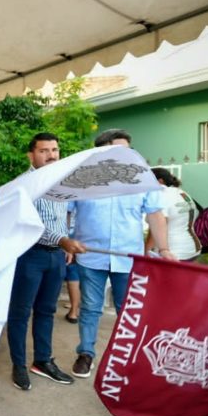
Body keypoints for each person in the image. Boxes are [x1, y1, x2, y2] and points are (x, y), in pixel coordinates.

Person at [70, 129, 174, 378]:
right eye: (121, 150)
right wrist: (67, 241)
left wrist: (165, 249)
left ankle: (127, 357)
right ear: (102, 152)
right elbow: (65, 211)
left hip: (128, 258)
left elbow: (155, 214)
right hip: (90, 255)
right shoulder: (82, 178)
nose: (128, 155)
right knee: (91, 308)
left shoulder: (141, 178)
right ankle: (86, 354)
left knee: (127, 310)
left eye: (129, 150)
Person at [6, 134, 87, 391]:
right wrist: (63, 239)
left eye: (55, 150)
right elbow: (30, 225)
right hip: (30, 256)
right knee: (20, 313)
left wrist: (66, 243)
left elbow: (64, 218)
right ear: (31, 155)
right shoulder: (23, 185)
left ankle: (42, 360)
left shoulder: (62, 183)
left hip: (56, 257)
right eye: (44, 151)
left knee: (47, 311)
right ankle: (18, 365)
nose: (51, 155)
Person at [148, 168, 201, 261]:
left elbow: (158, 226)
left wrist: (145, 251)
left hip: (173, 253)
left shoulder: (161, 195)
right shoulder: (183, 193)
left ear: (160, 181)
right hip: (192, 249)